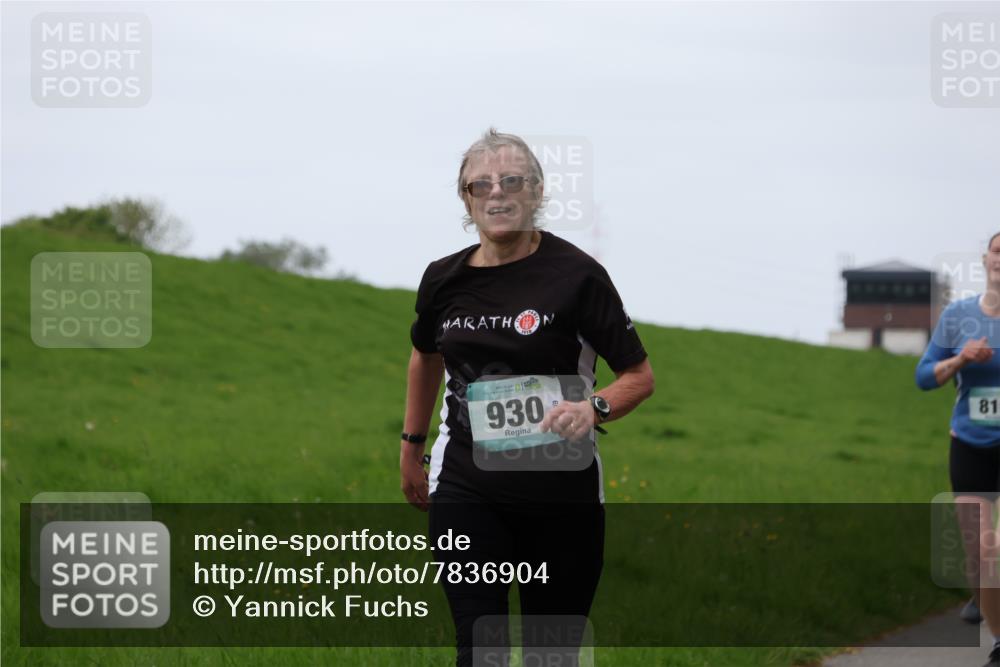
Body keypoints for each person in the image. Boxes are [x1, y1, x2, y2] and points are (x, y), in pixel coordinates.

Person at [399, 128, 654, 666]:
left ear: (536, 191)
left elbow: (637, 374)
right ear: (465, 199)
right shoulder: (443, 279)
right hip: (466, 486)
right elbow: (425, 356)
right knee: (480, 647)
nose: (497, 193)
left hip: (562, 493)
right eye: (480, 184)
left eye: (512, 181)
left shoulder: (579, 276)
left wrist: (595, 408)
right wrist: (411, 446)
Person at [916, 231, 1000, 667]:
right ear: (985, 258)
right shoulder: (959, 316)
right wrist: (962, 359)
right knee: (981, 549)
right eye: (999, 250)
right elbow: (924, 376)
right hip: (970, 443)